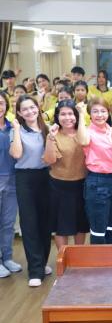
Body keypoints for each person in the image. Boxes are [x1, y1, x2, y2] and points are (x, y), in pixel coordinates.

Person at [10, 95, 51, 287]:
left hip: (46, 177)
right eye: (24, 109)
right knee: (29, 223)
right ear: (19, 112)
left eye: (32, 107)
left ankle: (42, 262)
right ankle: (35, 270)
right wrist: (17, 129)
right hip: (25, 178)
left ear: (38, 107)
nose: (30, 111)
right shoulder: (17, 130)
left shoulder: (46, 128)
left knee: (45, 223)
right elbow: (17, 154)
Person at [43, 100, 88, 251]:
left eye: (71, 114)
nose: (67, 117)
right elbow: (50, 160)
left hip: (82, 184)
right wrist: (50, 138)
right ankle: (64, 260)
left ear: (76, 115)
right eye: (63, 114)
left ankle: (78, 258)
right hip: (59, 186)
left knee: (81, 225)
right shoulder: (53, 134)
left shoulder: (84, 131)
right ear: (57, 116)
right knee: (60, 226)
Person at [76, 97, 112, 244]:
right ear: (90, 114)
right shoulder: (87, 131)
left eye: (103, 111)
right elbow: (83, 141)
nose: (100, 115)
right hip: (97, 182)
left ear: (108, 113)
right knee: (98, 230)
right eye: (95, 111)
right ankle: (98, 259)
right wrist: (81, 114)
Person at [0, 92, 21, 278]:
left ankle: (6, 257)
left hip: (13, 179)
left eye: (1, 103)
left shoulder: (13, 126)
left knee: (8, 223)